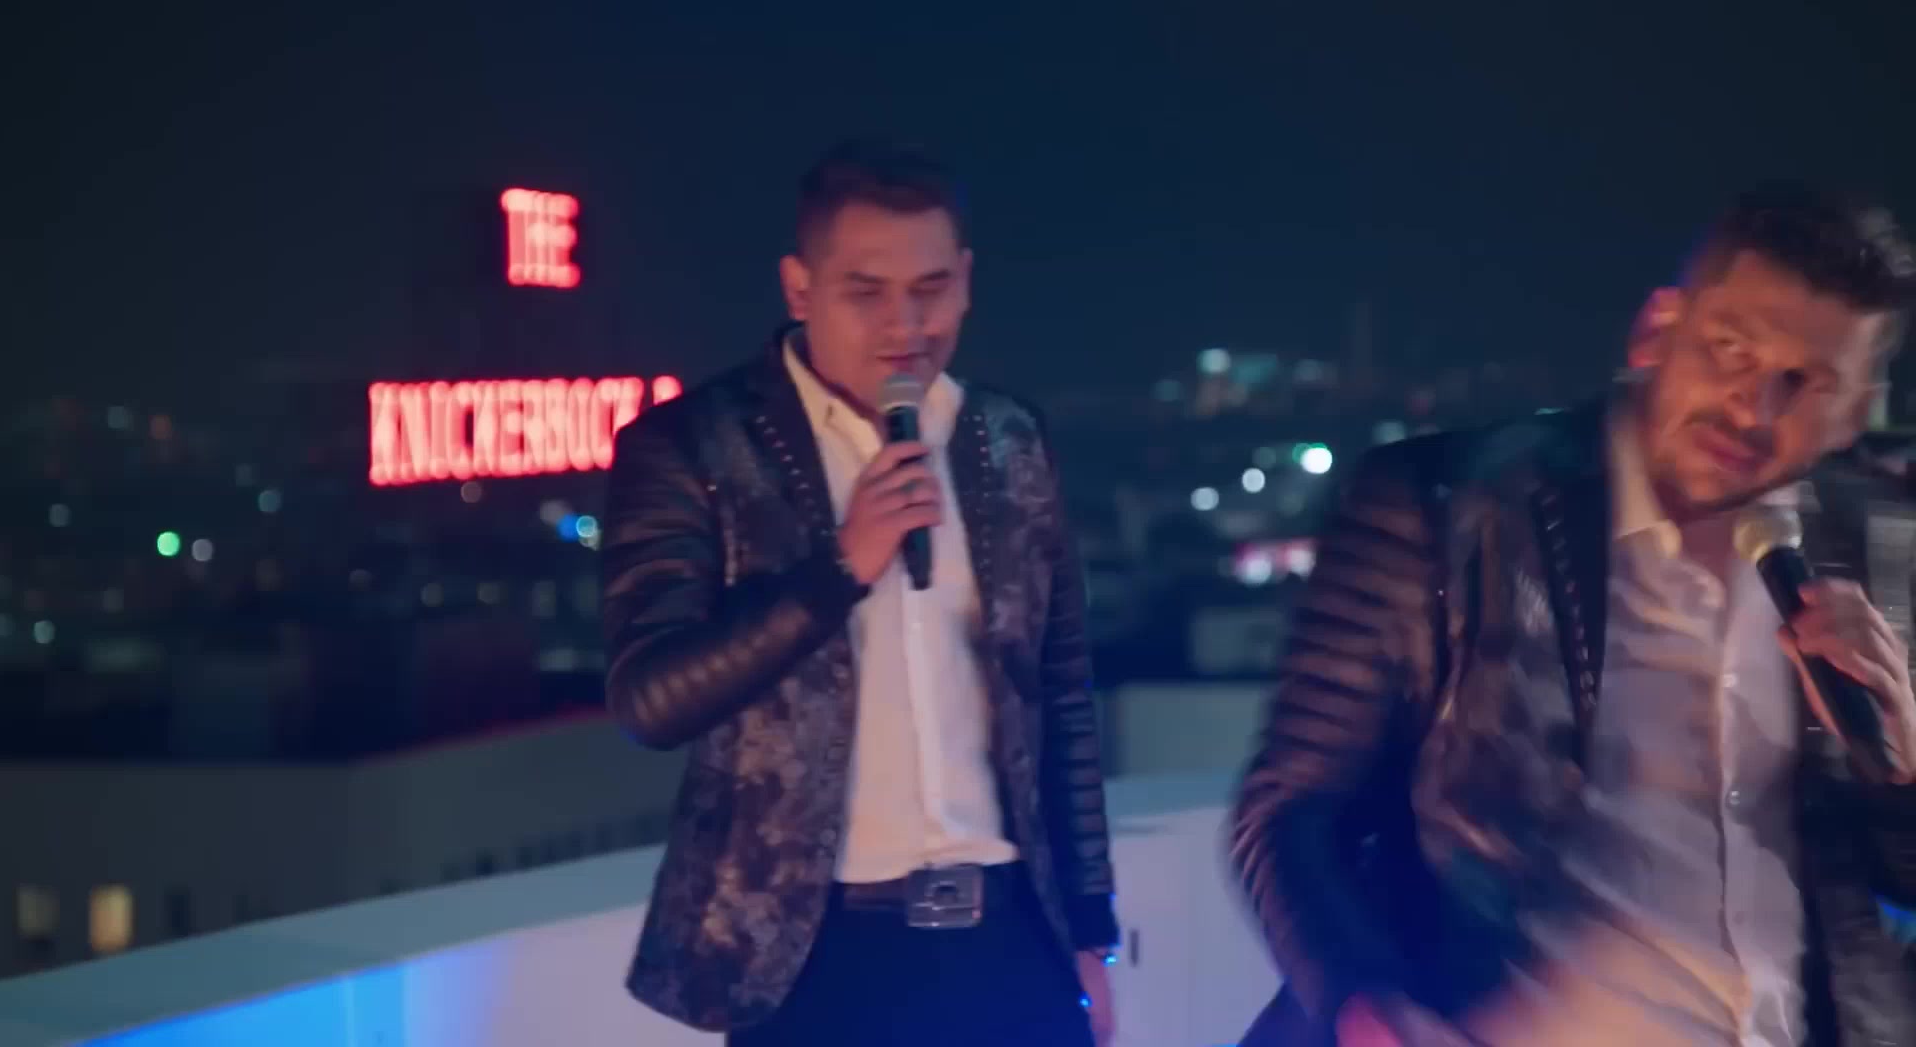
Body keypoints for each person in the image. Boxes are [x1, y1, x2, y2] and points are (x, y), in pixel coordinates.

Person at [1230, 184, 1916, 1047]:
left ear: (1857, 408)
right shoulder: (1453, 507)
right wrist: (1361, 1005)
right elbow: (1290, 812)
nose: (1754, 407)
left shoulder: (1881, 543)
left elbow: (1896, 879)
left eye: (1804, 382)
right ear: (1658, 330)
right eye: (1731, 350)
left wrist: (1904, 765)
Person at [601, 138, 1118, 1046]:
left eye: (930, 288)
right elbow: (651, 700)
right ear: (799, 289)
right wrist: (840, 567)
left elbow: (1060, 695)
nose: (905, 324)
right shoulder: (692, 446)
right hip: (810, 956)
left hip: (1009, 938)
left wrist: (1088, 933)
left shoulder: (1008, 438)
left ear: (966, 281)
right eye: (866, 292)